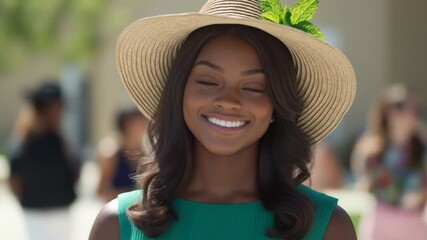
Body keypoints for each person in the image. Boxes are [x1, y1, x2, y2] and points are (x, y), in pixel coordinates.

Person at [89, 0, 357, 239]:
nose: (228, 100)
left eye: (253, 87)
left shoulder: (328, 228)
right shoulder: (118, 226)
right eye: (207, 81)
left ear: (277, 105)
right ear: (179, 92)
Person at [351, 83, 427, 239]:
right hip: (382, 220)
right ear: (390, 113)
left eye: (416, 111)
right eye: (408, 110)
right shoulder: (371, 149)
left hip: (414, 221)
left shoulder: (423, 148)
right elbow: (363, 183)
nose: (413, 116)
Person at [8, 82, 81, 240]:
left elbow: (75, 171)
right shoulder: (23, 143)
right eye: (50, 108)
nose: (56, 113)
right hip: (35, 213)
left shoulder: (61, 142)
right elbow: (15, 181)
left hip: (61, 212)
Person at [96, 108, 149, 202]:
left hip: (141, 211)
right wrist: (128, 195)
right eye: (135, 124)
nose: (141, 126)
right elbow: (100, 192)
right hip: (118, 210)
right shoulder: (112, 155)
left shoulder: (147, 154)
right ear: (125, 126)